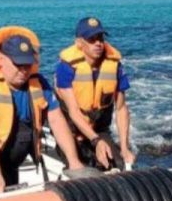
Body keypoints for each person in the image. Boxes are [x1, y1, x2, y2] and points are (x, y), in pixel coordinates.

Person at [0, 26, 92, 196]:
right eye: (18, 64)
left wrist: (73, 161)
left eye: (27, 64)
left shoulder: (39, 84)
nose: (23, 70)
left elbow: (57, 121)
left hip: (10, 160)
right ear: (1, 59)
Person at [54, 16, 136, 170]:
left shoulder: (115, 66)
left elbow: (121, 109)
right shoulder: (66, 68)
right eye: (91, 39)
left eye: (100, 38)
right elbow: (74, 112)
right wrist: (96, 141)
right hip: (71, 130)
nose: (98, 43)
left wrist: (125, 148)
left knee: (117, 166)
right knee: (82, 171)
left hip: (99, 128)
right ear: (79, 43)